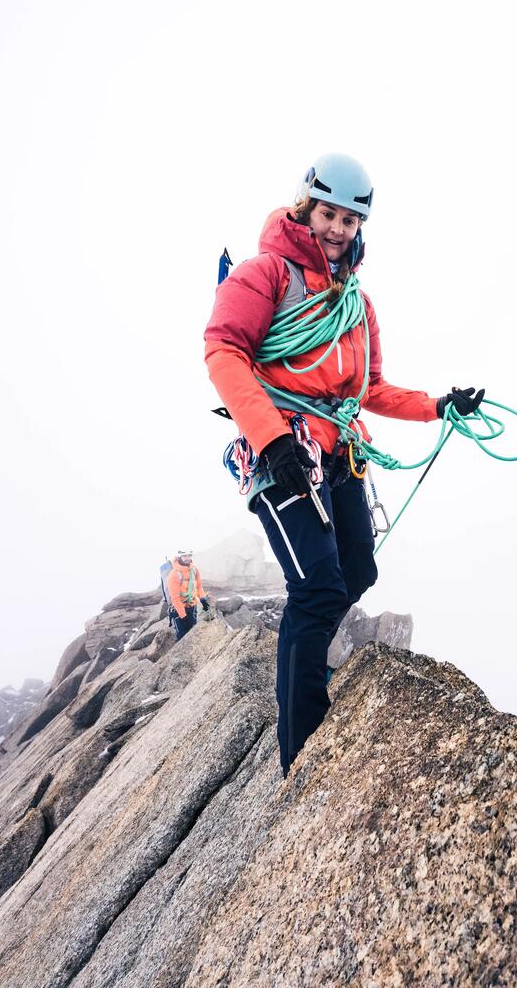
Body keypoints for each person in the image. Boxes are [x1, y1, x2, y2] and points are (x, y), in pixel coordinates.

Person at [204, 152, 482, 776]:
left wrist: (440, 405)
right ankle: (300, 751)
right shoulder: (265, 274)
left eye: (350, 221)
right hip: (281, 449)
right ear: (306, 208)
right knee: (318, 587)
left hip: (339, 448)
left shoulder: (357, 303)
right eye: (328, 213)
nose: (337, 229)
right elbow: (224, 349)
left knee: (358, 569)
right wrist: (271, 437)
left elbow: (371, 389)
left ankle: (306, 660)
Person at [165, 550, 210, 640]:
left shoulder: (194, 570)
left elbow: (198, 586)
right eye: (184, 556)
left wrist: (203, 598)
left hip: (192, 607)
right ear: (179, 557)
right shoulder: (174, 575)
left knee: (194, 635)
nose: (187, 558)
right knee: (183, 638)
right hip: (179, 609)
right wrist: (183, 615)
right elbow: (175, 598)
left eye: (188, 555)